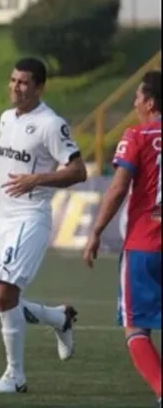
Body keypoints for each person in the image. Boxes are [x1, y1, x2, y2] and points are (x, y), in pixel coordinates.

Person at [0, 57, 88, 394]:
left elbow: (78, 171)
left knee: (5, 295)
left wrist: (38, 179)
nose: (16, 87)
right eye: (13, 80)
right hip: (3, 217)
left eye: (24, 82)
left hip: (31, 216)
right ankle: (58, 318)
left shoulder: (51, 124)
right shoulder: (6, 119)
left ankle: (15, 376)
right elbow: (7, 167)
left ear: (40, 87)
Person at [84, 70, 161, 405]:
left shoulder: (137, 136)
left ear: (150, 102)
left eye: (138, 98)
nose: (134, 103)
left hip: (145, 245)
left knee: (136, 328)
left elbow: (117, 189)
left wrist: (96, 231)